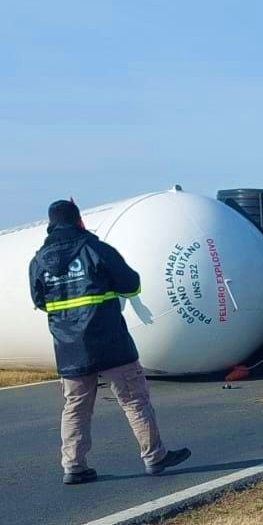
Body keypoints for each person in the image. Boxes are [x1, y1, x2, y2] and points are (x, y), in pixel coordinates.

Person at [29, 199, 190, 485]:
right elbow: (131, 285)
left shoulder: (38, 263)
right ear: (80, 221)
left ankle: (74, 465)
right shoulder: (96, 249)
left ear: (50, 226)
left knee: (75, 407)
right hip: (111, 343)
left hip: (70, 349)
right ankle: (154, 456)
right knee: (133, 399)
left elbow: (40, 302)